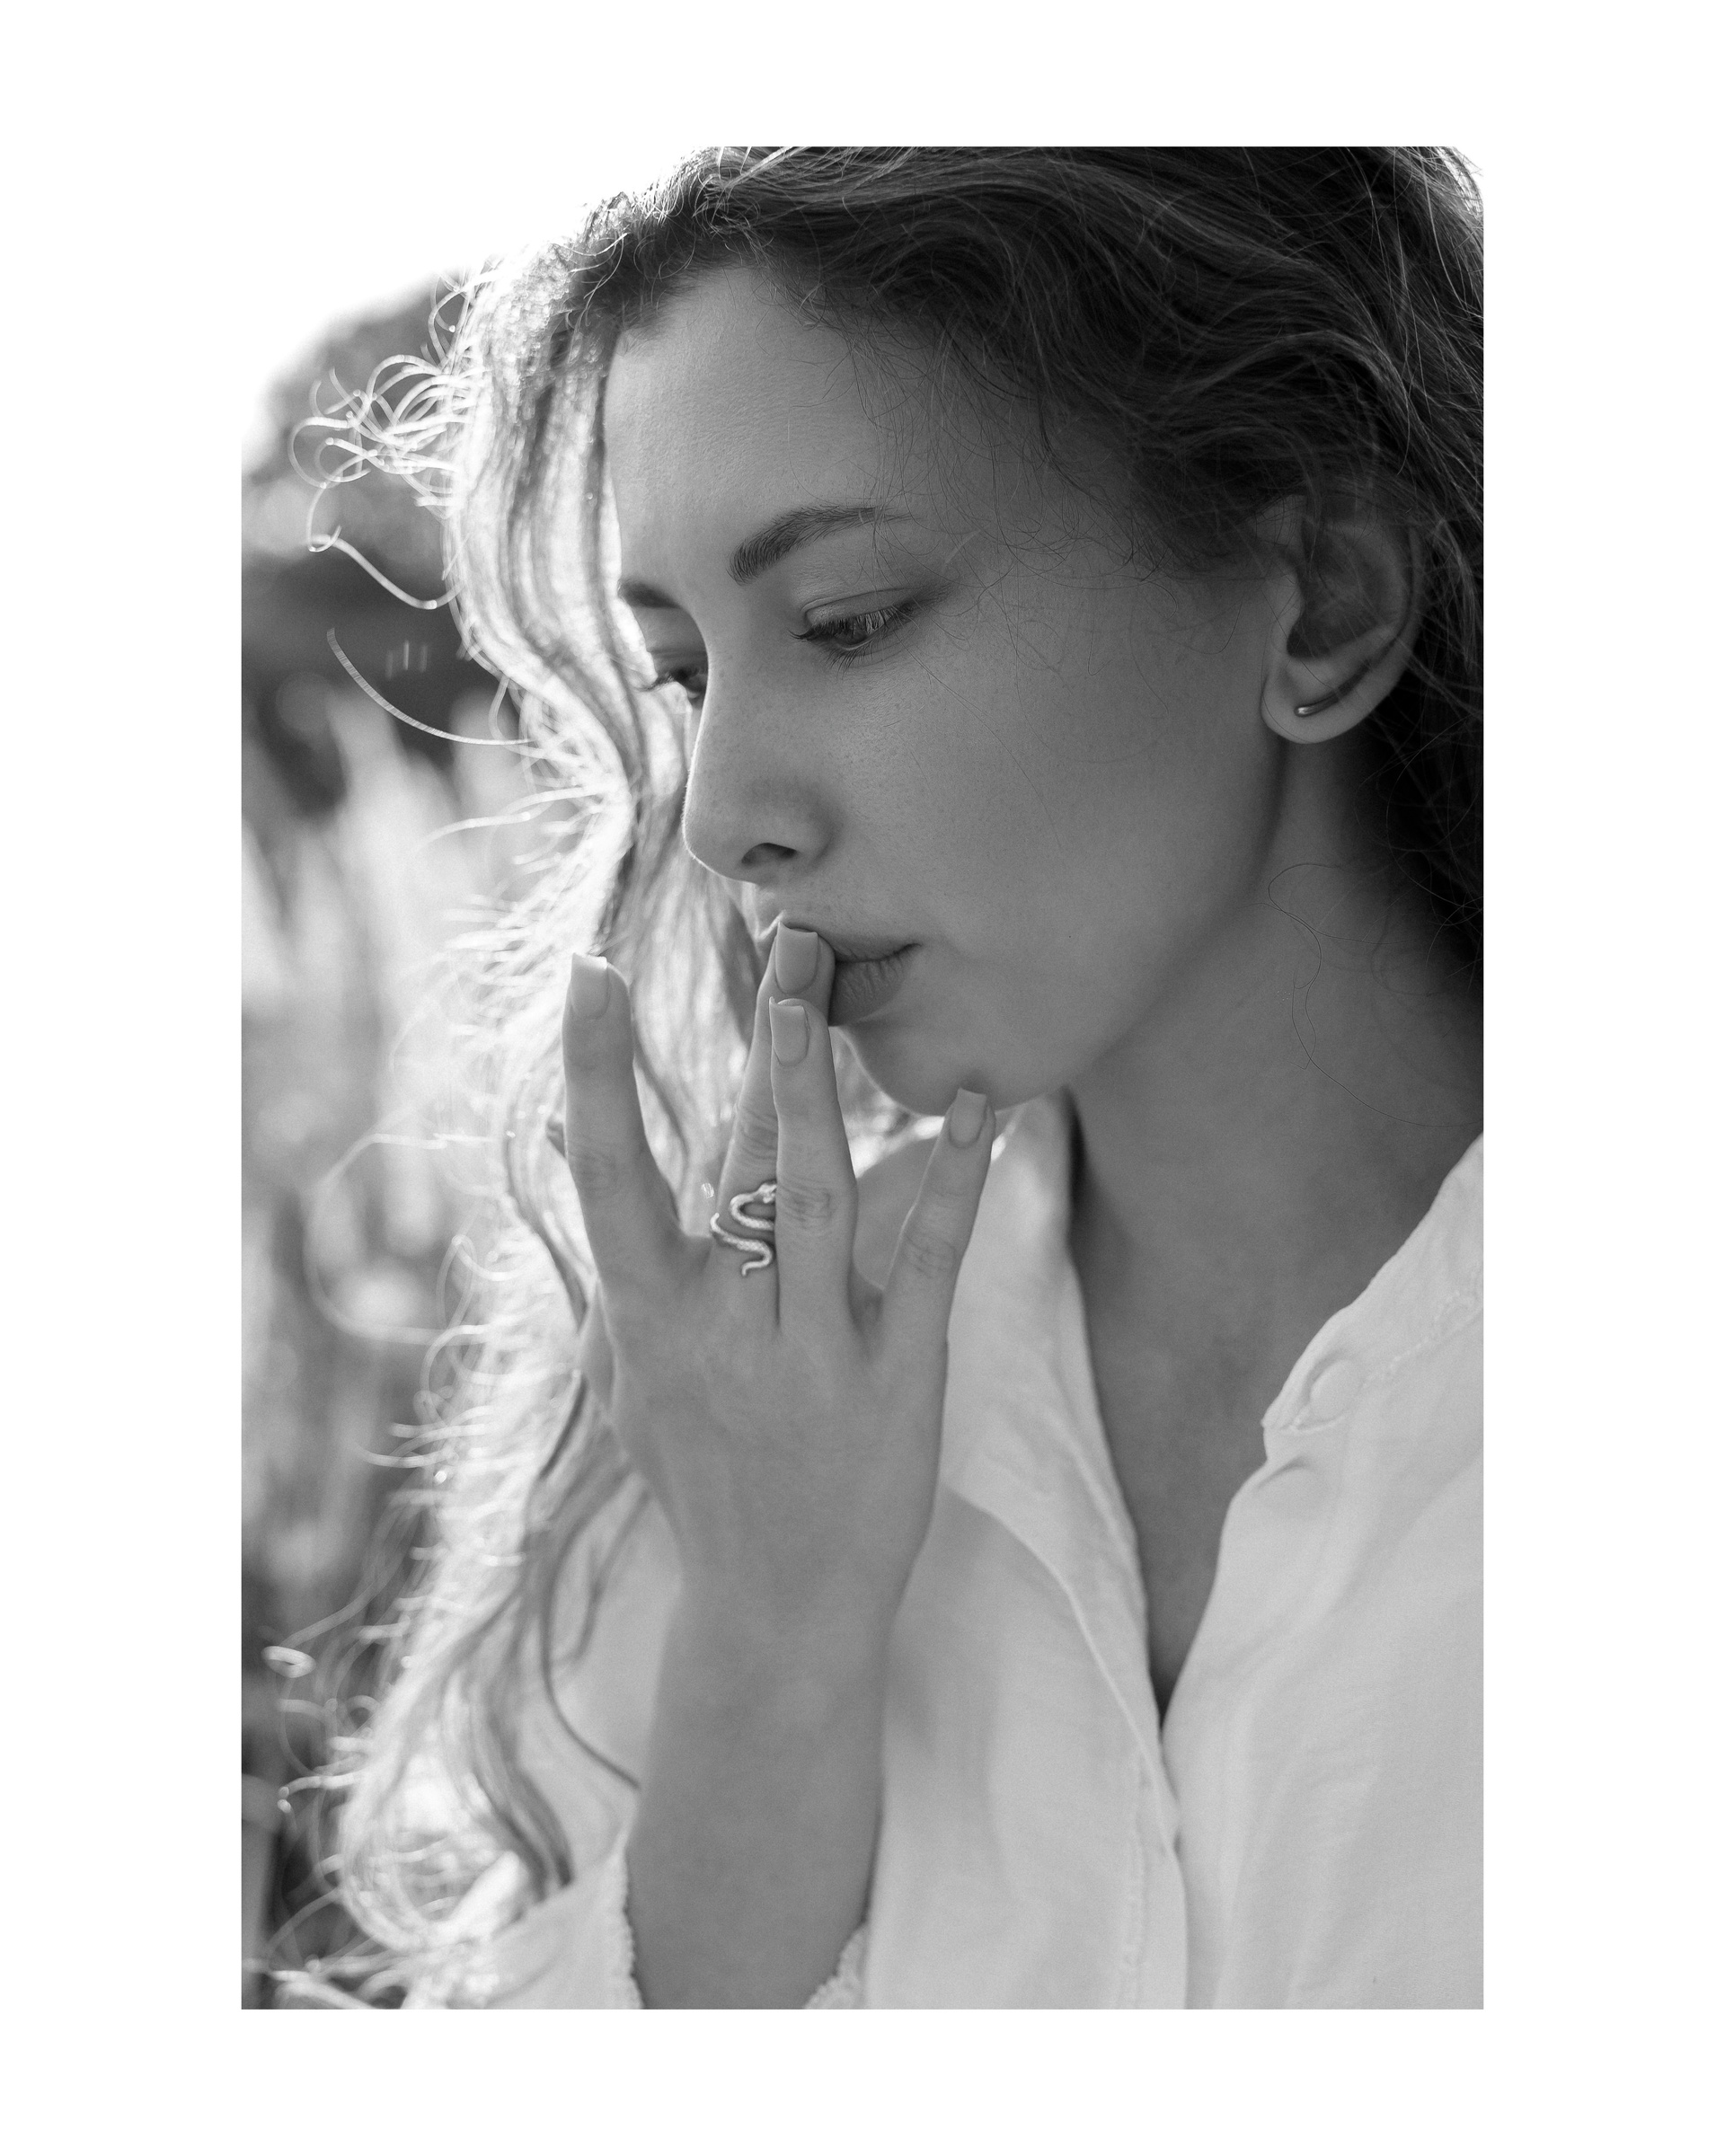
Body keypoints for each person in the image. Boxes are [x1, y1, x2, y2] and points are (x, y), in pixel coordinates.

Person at [320, 146, 1483, 2009]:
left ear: (1326, 598)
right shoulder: (735, 1419)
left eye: (848, 619)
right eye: (683, 673)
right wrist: (771, 1647)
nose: (720, 817)